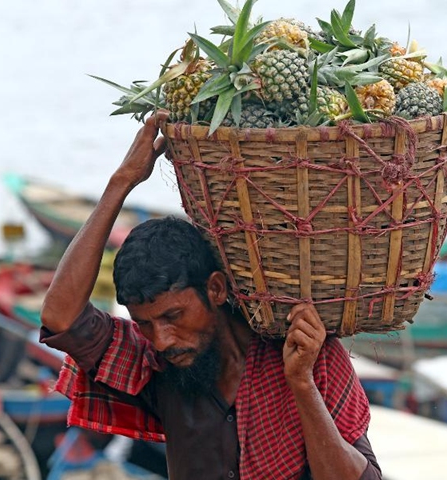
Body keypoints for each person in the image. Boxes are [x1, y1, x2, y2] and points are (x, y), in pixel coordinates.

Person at [39, 111, 382, 480]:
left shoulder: (307, 355)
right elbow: (61, 317)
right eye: (144, 324)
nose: (162, 339)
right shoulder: (155, 368)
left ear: (215, 289)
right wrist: (121, 182)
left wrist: (301, 384)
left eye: (173, 317)